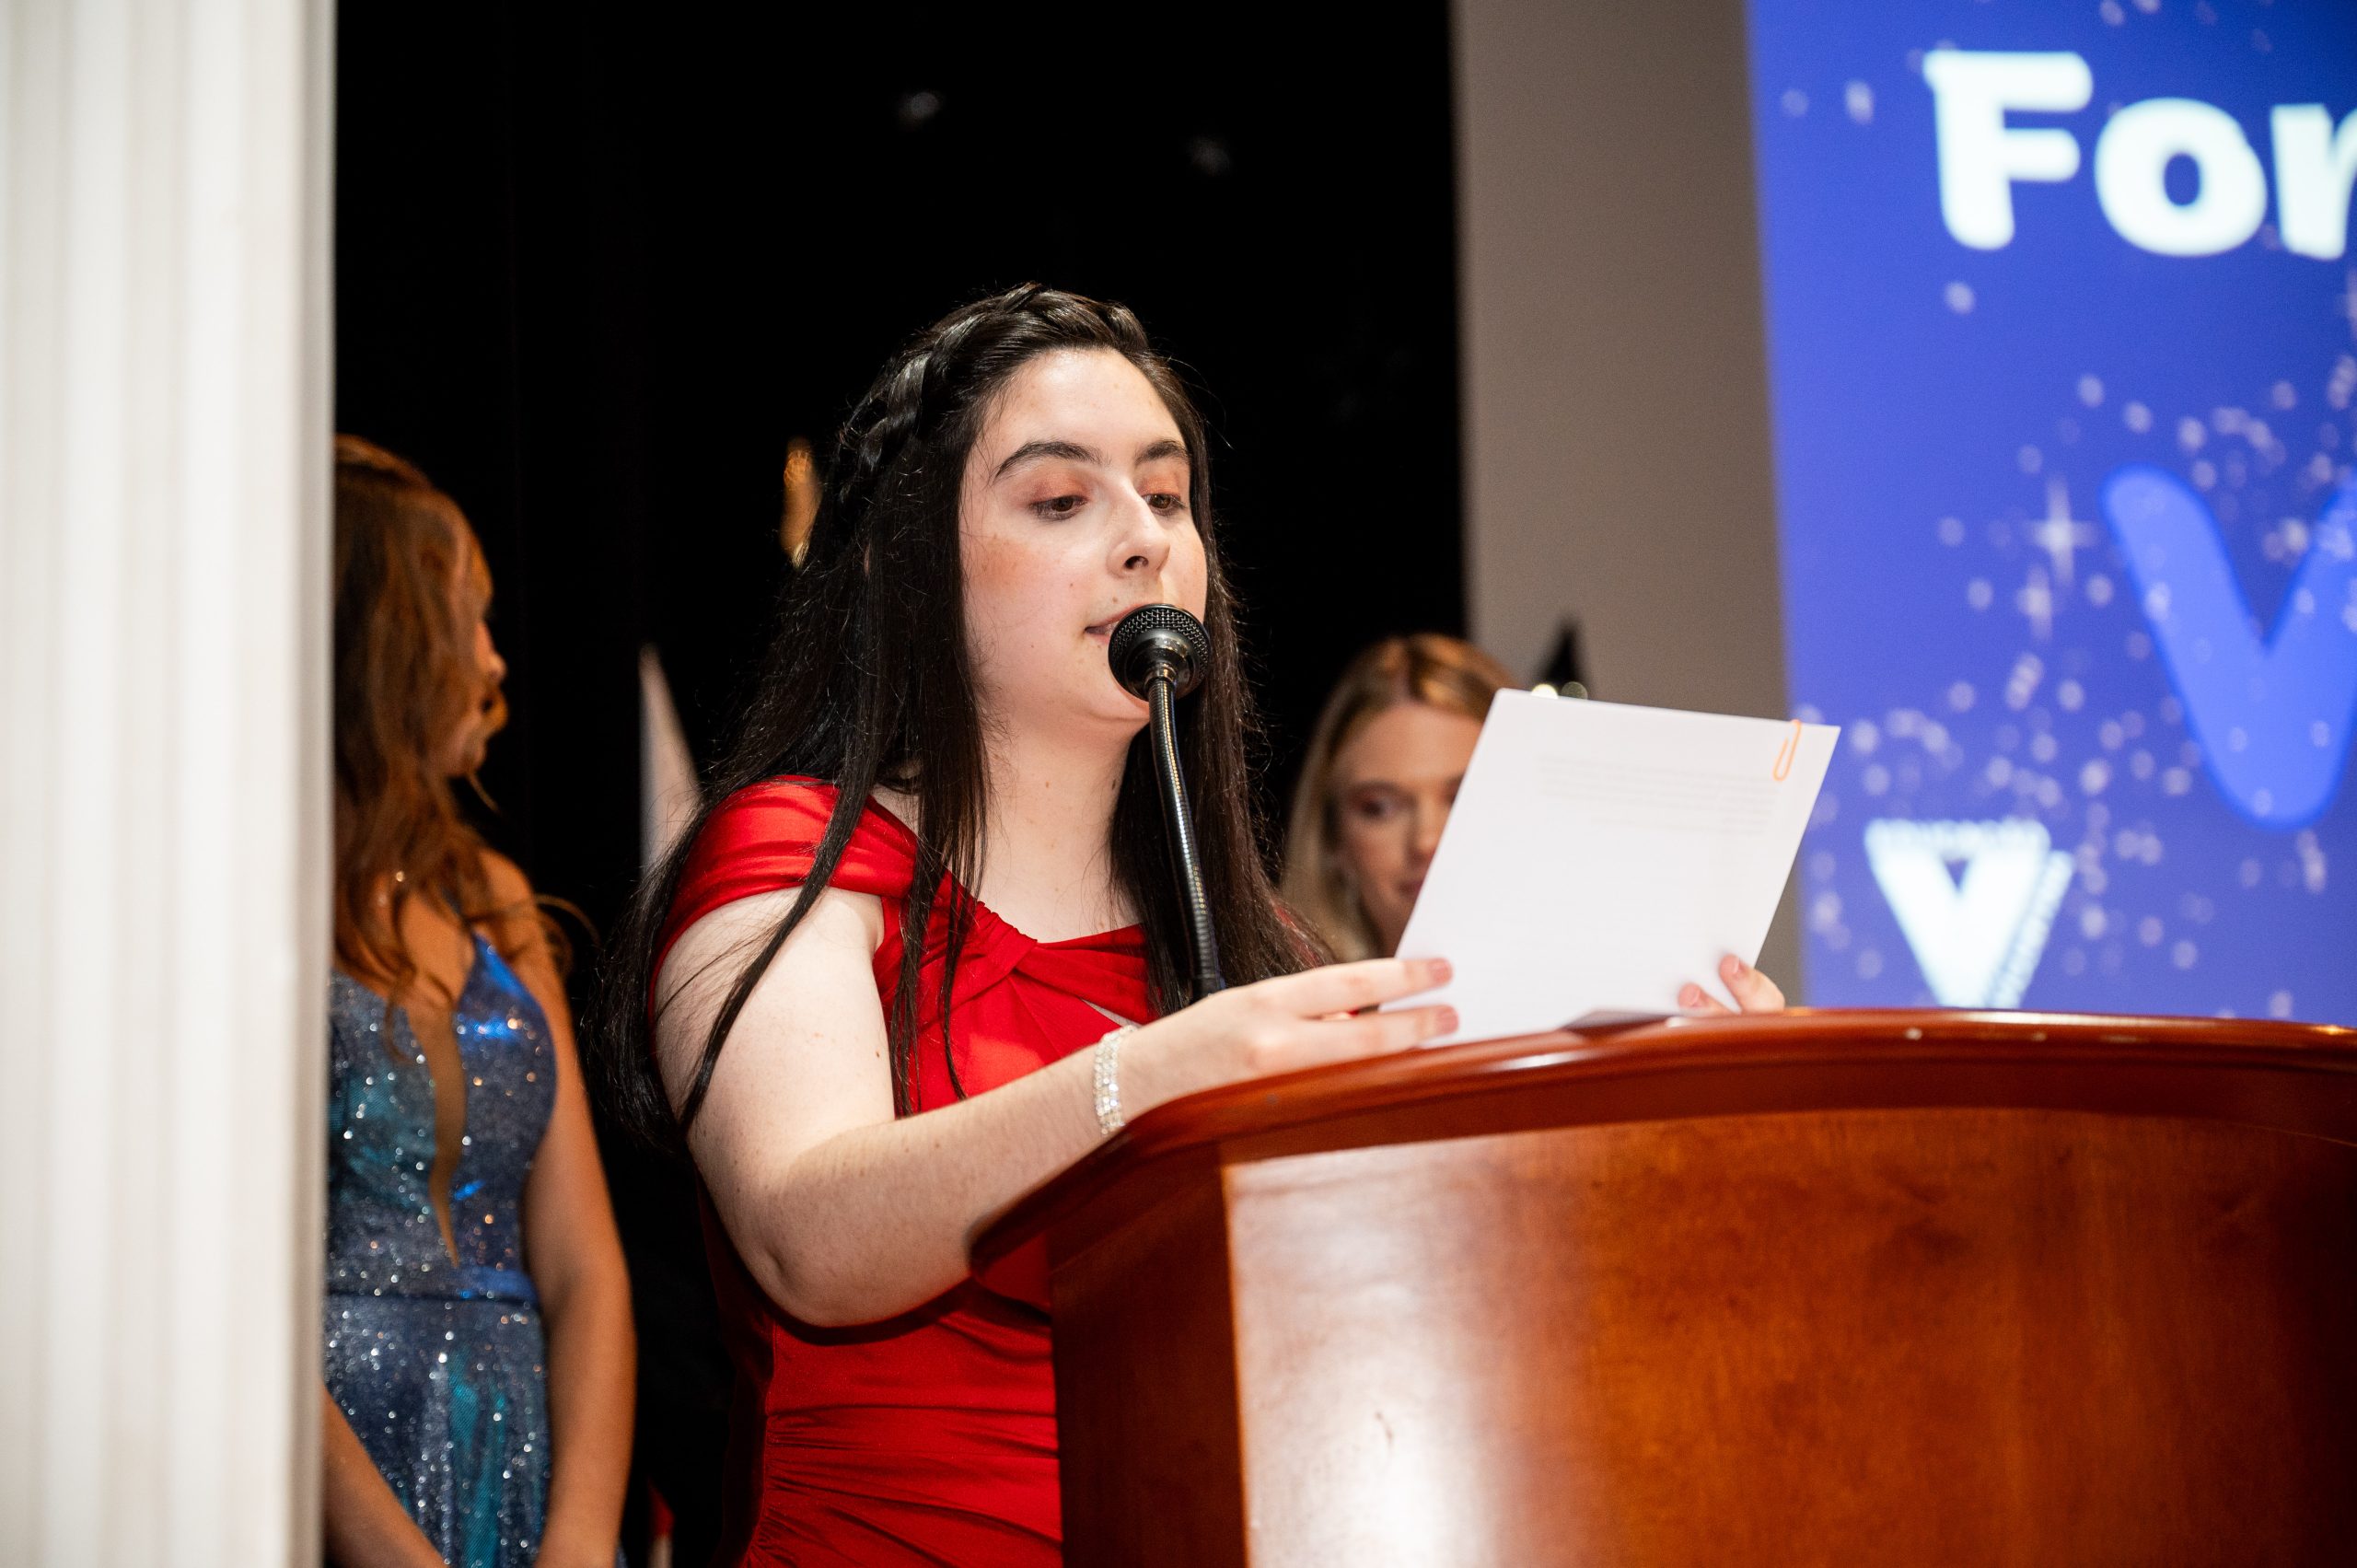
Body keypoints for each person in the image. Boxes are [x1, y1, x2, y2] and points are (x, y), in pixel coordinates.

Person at [592, 285, 1462, 1565]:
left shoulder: (1253, 944)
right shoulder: (799, 852)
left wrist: (1675, 1074)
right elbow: (806, 1233)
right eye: (1062, 500)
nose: (1144, 540)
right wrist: (1143, 1079)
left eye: (1166, 496)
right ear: (905, 566)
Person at [324, 436, 635, 1568]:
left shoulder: (491, 898)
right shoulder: (248, 900)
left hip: (517, 1455)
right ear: (382, 642)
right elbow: (229, 1288)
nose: (495, 661)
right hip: (331, 1472)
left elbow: (586, 1267)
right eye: (467, 620)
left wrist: (581, 1539)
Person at [1282, 633, 1787, 1014]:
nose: (1427, 840)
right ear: (1333, 844)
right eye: (1379, 807)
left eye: (1464, 796)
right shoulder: (1298, 1042)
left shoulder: (1635, 1014)